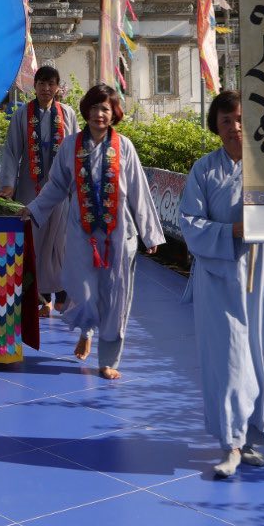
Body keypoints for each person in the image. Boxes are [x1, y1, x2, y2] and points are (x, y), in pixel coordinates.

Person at [177, 89, 264, 479]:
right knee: (228, 359)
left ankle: (253, 439)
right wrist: (232, 231)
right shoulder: (204, 170)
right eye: (226, 120)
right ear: (216, 125)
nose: (235, 127)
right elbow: (190, 222)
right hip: (222, 275)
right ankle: (230, 442)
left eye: (242, 119)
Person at [24, 84, 163, 380]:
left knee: (116, 297)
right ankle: (86, 330)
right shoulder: (70, 146)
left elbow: (138, 190)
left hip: (119, 235)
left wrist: (149, 232)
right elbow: (56, 186)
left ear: (114, 114)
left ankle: (108, 360)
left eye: (106, 109)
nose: (100, 114)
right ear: (86, 110)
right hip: (81, 233)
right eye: (95, 108)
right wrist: (33, 209)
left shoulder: (124, 146)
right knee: (84, 292)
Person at [0, 66, 78, 317]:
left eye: (51, 84)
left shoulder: (67, 114)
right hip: (29, 188)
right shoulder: (22, 115)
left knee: (60, 241)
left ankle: (61, 293)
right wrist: (8, 184)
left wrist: (77, 186)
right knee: (33, 241)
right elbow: (12, 151)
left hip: (60, 189)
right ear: (34, 86)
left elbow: (76, 152)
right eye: (42, 84)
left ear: (57, 87)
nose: (46, 89)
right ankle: (39, 297)